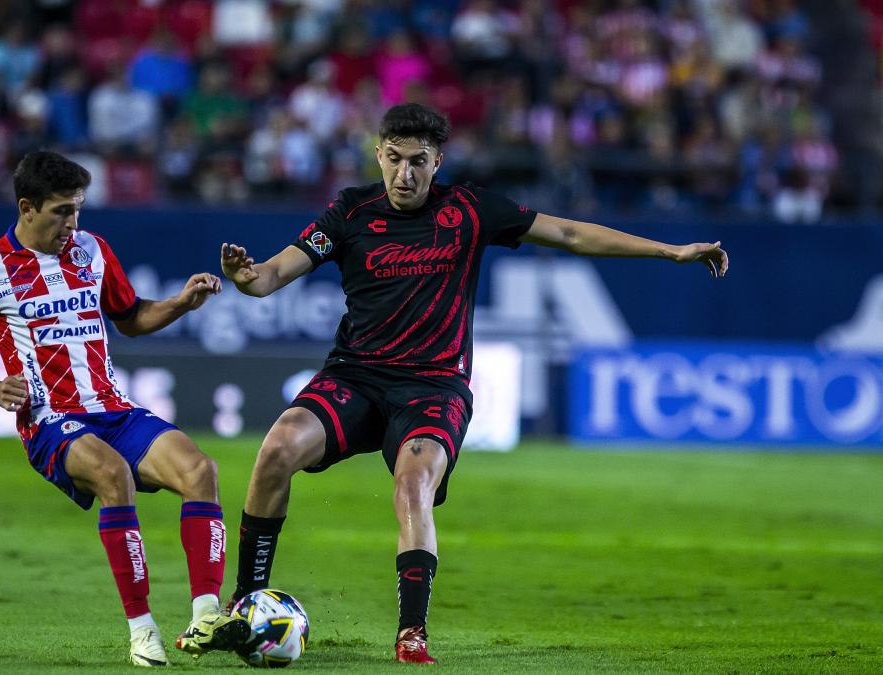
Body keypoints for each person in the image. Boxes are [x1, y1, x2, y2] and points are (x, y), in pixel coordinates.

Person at [219, 103, 729, 664]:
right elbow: (268, 277)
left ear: (438, 161)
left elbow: (567, 232)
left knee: (413, 485)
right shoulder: (349, 212)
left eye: (418, 162)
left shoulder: (469, 209)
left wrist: (668, 251)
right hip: (356, 376)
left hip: (434, 387)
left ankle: (411, 634)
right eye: (394, 159)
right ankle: (243, 604)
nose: (404, 175)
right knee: (276, 449)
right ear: (378, 154)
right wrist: (246, 278)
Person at [0, 151, 250, 668]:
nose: (72, 223)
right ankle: (143, 632)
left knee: (200, 470)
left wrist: (181, 303)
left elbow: (132, 317)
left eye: (78, 210)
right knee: (111, 473)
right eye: (61, 211)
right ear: (27, 207)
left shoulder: (93, 251)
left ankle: (206, 616)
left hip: (113, 409)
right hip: (50, 420)